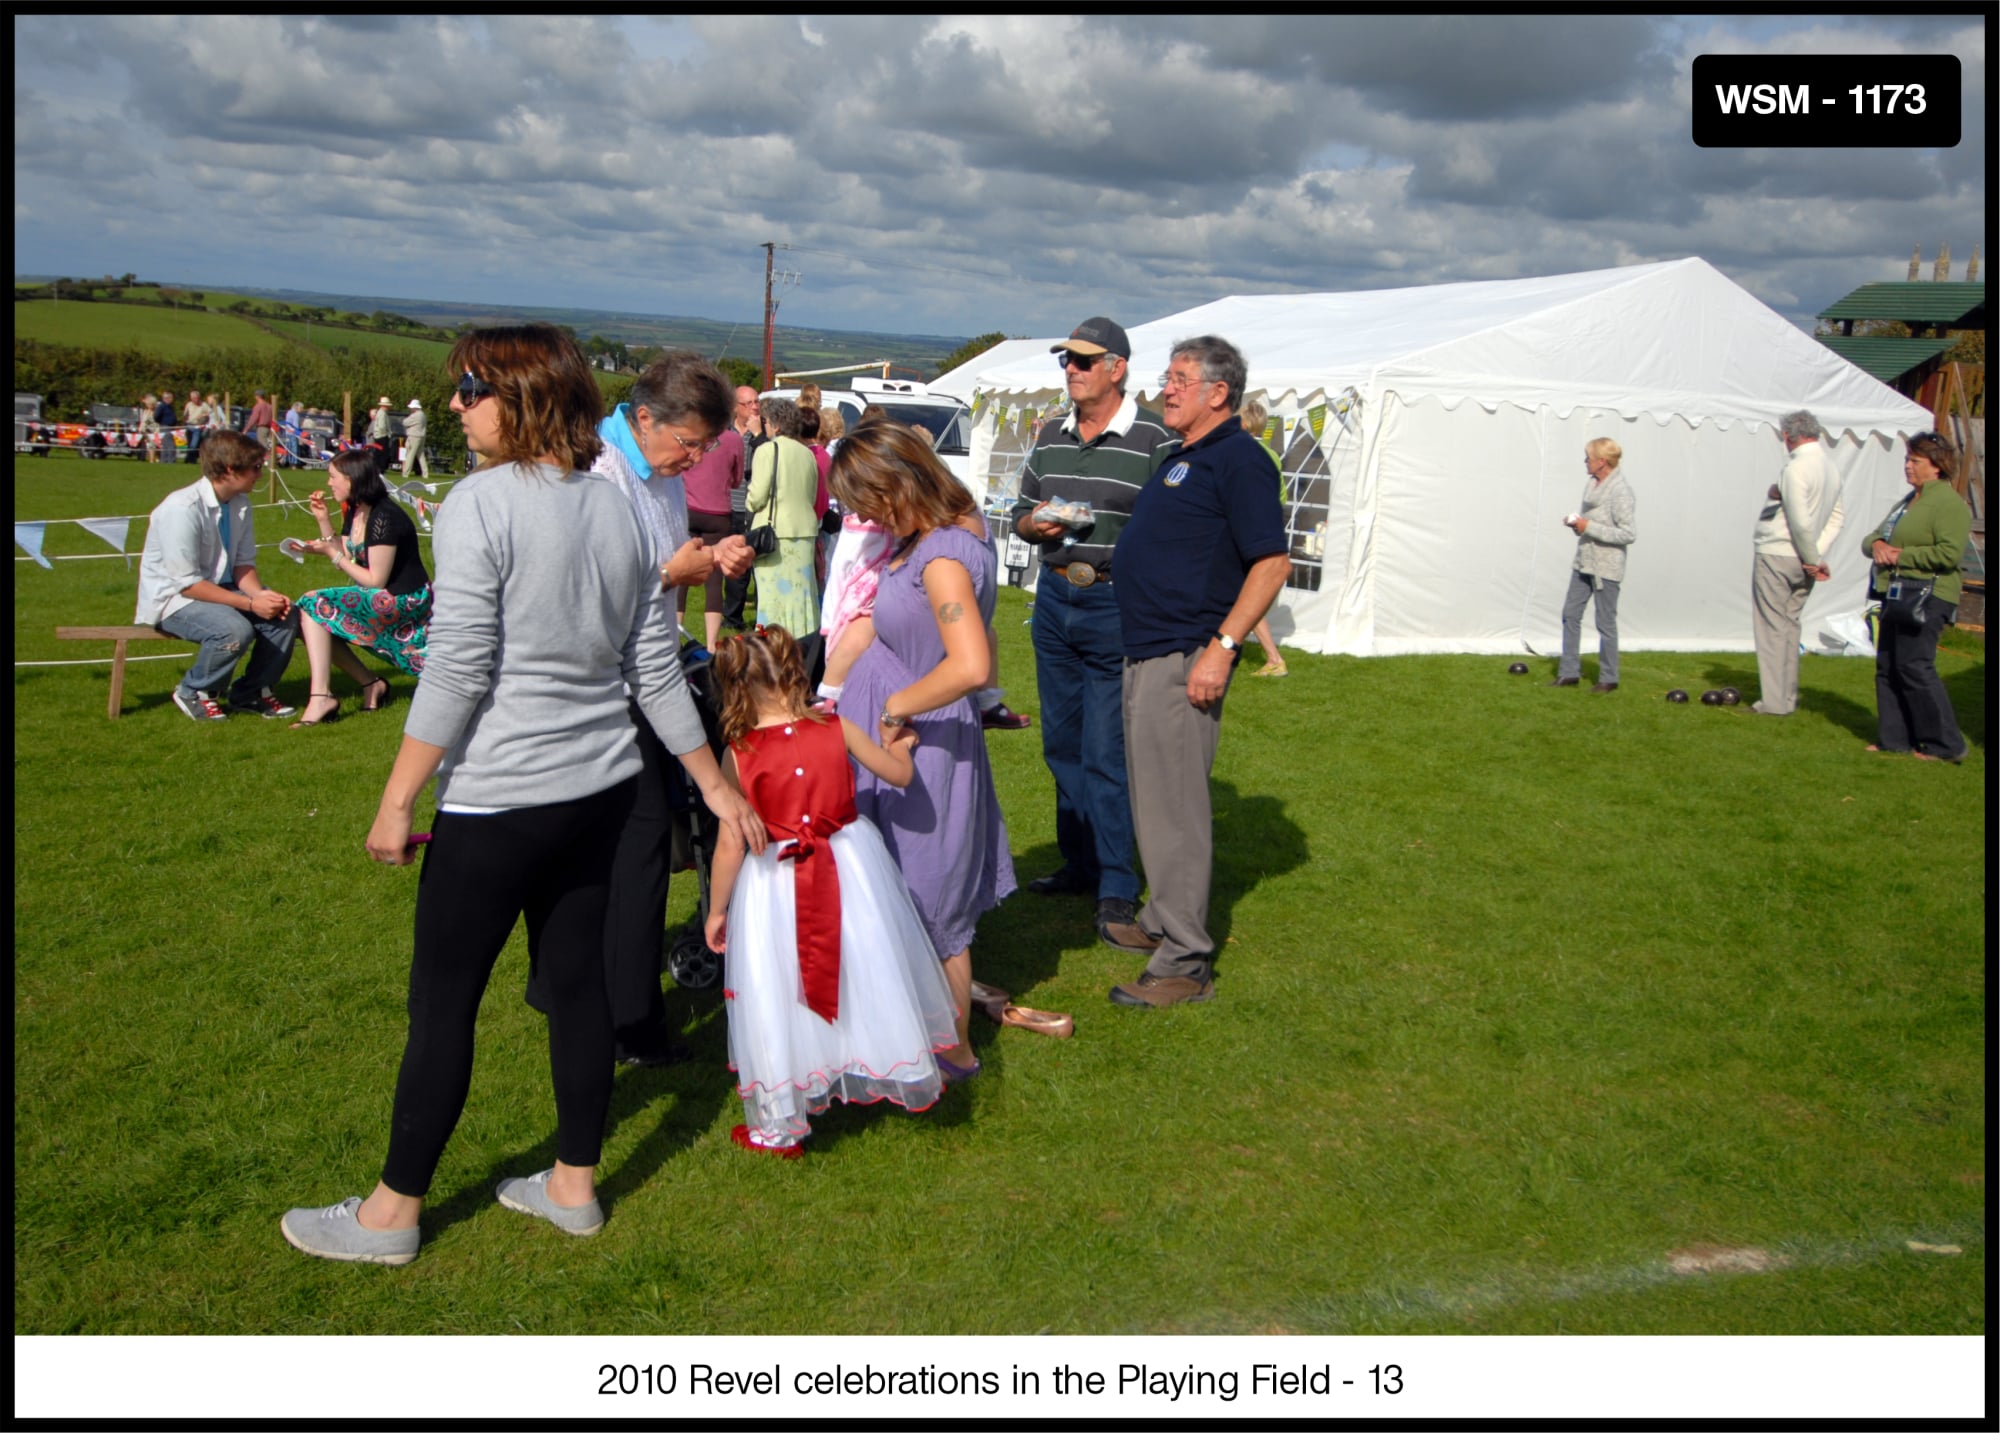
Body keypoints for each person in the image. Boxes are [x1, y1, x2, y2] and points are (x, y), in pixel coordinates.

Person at [280, 324, 765, 1266]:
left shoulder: (479, 504)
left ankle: (390, 1215)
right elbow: (653, 666)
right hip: (598, 795)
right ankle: (572, 1188)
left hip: (500, 802)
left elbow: (460, 666)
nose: (457, 407)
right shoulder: (623, 508)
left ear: (524, 395)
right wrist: (713, 784)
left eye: (470, 389)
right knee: (579, 990)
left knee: (445, 1003)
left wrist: (395, 800)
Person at [522, 350, 755, 1067]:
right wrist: (669, 573)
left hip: (646, 669)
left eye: (707, 448)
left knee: (623, 841)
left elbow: (659, 569)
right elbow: (573, 589)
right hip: (597, 686)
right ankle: (627, 1019)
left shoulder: (657, 469)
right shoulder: (596, 471)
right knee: (639, 839)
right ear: (643, 416)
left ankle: (591, 997)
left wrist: (705, 562)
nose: (696, 460)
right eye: (689, 444)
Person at [703, 626, 958, 1156]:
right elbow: (899, 775)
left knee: (775, 986)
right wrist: (903, 745)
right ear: (792, 671)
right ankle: (872, 1056)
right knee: (863, 968)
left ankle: (778, 1123)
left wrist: (718, 909)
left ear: (733, 687)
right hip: (850, 864)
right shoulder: (835, 726)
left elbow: (730, 843)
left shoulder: (740, 752)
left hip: (773, 880)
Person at [828, 420, 1016, 1079]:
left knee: (933, 901)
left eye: (865, 499)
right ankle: (900, 1030)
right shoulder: (936, 535)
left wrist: (894, 704)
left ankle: (954, 1050)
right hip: (899, 737)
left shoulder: (940, 555)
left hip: (920, 746)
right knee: (888, 890)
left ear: (897, 483)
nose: (860, 515)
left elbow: (967, 660)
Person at [1106, 336, 1289, 1008]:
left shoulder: (1239, 457)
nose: (1166, 388)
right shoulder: (1191, 455)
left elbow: (1271, 562)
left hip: (1186, 653)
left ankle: (1184, 960)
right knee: (1155, 796)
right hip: (1150, 646)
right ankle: (1160, 918)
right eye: (1168, 375)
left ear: (1219, 392)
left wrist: (1223, 645)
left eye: (1180, 378)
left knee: (1176, 808)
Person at [1009, 316, 1174, 947]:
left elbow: (1168, 529)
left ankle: (1115, 885)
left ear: (1117, 368)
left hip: (1114, 605)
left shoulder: (1154, 439)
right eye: (1065, 361)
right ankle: (1080, 863)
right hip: (1054, 600)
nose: (1070, 370)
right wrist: (1035, 527)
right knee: (1062, 744)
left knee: (1106, 754)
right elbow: (1020, 512)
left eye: (1082, 361)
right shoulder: (1050, 434)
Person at [133, 430, 299, 722]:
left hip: (222, 589)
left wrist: (260, 596)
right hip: (175, 600)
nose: (261, 474)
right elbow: (188, 584)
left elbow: (243, 565)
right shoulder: (180, 509)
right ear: (230, 470)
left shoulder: (240, 503)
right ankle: (195, 690)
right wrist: (250, 605)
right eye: (256, 467)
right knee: (233, 631)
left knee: (286, 615)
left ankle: (252, 692)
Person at [289, 450, 433, 729]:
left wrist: (333, 555)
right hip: (383, 595)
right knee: (312, 615)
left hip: (404, 601)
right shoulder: (356, 509)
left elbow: (375, 580)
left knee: (312, 605)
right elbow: (348, 552)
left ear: (352, 479)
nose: (329, 483)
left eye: (333, 477)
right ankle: (369, 685)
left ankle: (323, 697)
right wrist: (322, 522)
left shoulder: (384, 517)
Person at [1862, 431, 1970, 763]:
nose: (1907, 466)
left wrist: (1900, 556)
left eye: (1915, 461)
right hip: (1898, 592)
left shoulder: (1948, 503)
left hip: (1928, 594)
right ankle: (1895, 739)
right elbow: (1872, 539)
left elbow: (1950, 554)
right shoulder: (1909, 501)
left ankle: (1945, 745)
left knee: (1915, 666)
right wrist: (1877, 545)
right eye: (1907, 459)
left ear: (1936, 466)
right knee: (1888, 665)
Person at [1749, 410, 1845, 716]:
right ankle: (1786, 698)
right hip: (1804, 559)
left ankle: (1774, 703)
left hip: (1780, 554)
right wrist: (1816, 556)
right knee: (1789, 628)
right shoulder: (1831, 468)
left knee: (1772, 628)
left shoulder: (1796, 468)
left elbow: (1800, 521)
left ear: (1789, 435)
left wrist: (1812, 558)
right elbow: (1837, 518)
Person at [1551, 437, 1636, 692]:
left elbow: (1628, 534)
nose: (1585, 462)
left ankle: (1609, 677)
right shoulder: (1591, 486)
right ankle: (1569, 672)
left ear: (1602, 462)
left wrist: (1590, 527)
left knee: (1605, 622)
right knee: (1570, 614)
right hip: (1584, 561)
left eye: (1588, 458)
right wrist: (1578, 526)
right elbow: (1591, 525)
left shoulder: (1621, 491)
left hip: (1607, 566)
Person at [746, 397, 822, 636]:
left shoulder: (767, 450)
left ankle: (769, 640)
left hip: (776, 533)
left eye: (765, 421)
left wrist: (749, 502)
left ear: (775, 425)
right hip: (805, 531)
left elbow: (757, 496)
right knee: (802, 598)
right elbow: (811, 494)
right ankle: (803, 642)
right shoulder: (807, 454)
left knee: (771, 600)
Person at [680, 403, 747, 651]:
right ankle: (711, 643)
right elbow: (738, 478)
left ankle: (675, 636)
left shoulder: (692, 435)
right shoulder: (733, 440)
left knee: (682, 573)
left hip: (688, 507)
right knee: (714, 580)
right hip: (718, 511)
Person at [1241, 397, 1291, 677]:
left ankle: (1273, 658)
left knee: (1246, 596)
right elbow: (1280, 498)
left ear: (1245, 423)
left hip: (1251, 532)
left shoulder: (1248, 454)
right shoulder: (1271, 454)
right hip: (1265, 530)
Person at [721, 386, 765, 633]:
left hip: (755, 508)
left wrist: (759, 436)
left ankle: (762, 617)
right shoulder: (724, 430)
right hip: (731, 504)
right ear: (736, 407)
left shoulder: (764, 433)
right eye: (748, 403)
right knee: (735, 566)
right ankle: (732, 617)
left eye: (756, 402)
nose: (755, 407)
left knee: (757, 563)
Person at [365, 395, 395, 478]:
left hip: (379, 436)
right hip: (382, 436)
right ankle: (381, 469)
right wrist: (386, 434)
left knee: (379, 453)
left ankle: (378, 468)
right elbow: (382, 426)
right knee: (383, 454)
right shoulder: (382, 413)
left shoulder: (380, 413)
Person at [401, 398, 430, 480]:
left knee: (410, 454)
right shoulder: (423, 415)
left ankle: (406, 472)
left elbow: (405, 422)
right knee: (421, 456)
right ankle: (425, 473)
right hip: (421, 436)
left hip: (414, 436)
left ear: (414, 407)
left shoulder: (415, 415)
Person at [243, 389, 276, 457]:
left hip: (262, 428)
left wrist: (246, 429)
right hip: (270, 428)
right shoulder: (270, 406)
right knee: (269, 444)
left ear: (257, 396)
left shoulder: (258, 406)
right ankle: (271, 459)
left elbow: (253, 419)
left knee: (262, 444)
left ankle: (267, 459)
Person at [155, 390, 180, 464]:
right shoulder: (162, 406)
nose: (172, 400)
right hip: (165, 427)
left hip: (171, 427)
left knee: (166, 445)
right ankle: (170, 460)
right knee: (170, 445)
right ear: (166, 398)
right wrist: (163, 422)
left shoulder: (170, 407)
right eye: (171, 398)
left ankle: (164, 460)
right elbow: (156, 416)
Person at [182, 391, 208, 460]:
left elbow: (210, 413)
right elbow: (185, 414)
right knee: (189, 444)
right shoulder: (189, 404)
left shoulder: (204, 404)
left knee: (194, 444)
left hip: (198, 427)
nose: (195, 400)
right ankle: (188, 459)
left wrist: (203, 415)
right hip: (189, 425)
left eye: (196, 398)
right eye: (193, 398)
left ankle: (192, 459)